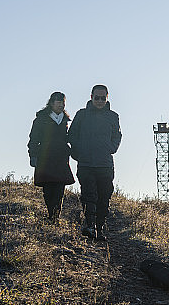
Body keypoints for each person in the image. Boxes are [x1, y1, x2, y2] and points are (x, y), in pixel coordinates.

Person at [67, 84, 122, 241]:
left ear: (107, 98)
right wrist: (79, 152)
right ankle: (89, 226)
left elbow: (117, 136)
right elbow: (71, 135)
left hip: (105, 164)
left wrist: (111, 148)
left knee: (104, 197)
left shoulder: (113, 116)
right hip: (86, 163)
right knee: (88, 196)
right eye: (96, 97)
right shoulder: (82, 115)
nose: (99, 100)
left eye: (102, 98)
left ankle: (100, 228)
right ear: (91, 97)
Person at [27, 91, 75, 223]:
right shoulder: (41, 119)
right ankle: (51, 214)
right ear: (51, 103)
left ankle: (55, 217)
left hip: (61, 158)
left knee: (60, 188)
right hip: (45, 157)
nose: (61, 105)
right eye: (59, 102)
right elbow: (33, 139)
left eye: (63, 103)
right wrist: (33, 155)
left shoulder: (65, 120)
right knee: (48, 189)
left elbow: (69, 138)